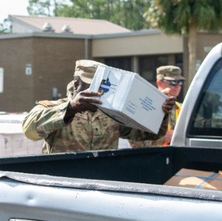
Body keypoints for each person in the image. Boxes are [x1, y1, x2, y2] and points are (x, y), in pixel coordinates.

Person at [22, 59, 176, 153]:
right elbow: (30, 131)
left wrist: (160, 113)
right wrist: (70, 109)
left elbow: (148, 135)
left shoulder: (111, 113)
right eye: (91, 85)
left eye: (101, 86)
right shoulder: (56, 108)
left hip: (102, 185)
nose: (97, 91)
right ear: (76, 84)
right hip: (65, 186)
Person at [130, 65, 184, 147]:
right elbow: (134, 142)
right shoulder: (145, 106)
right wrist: (162, 138)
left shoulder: (182, 108)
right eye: (173, 82)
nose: (177, 86)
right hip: (155, 156)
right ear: (159, 82)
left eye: (180, 82)